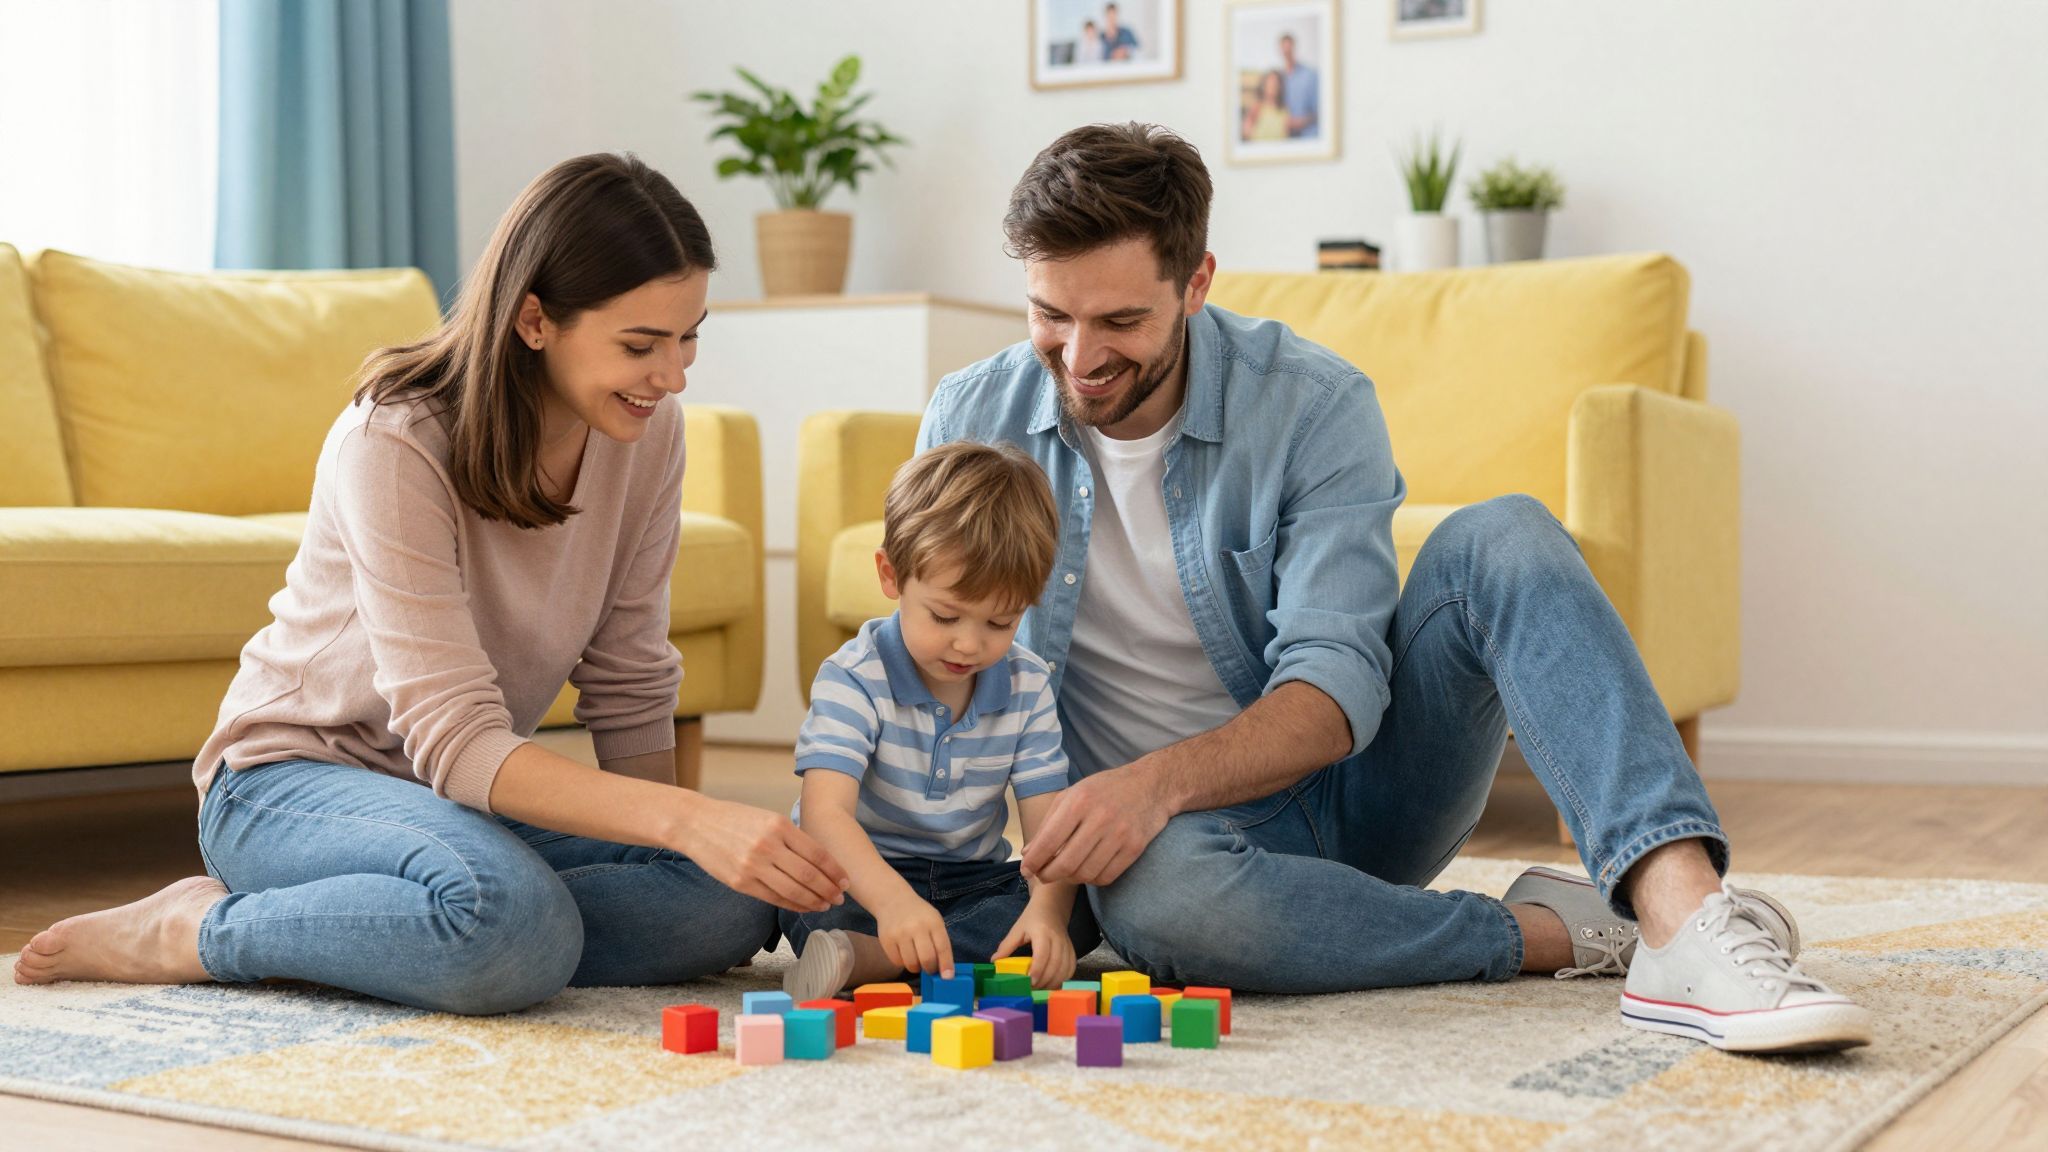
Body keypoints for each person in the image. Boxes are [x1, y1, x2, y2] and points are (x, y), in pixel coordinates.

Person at [916, 122, 1873, 1054]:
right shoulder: (973, 416)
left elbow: (1334, 694)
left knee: (1503, 535)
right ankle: (1558, 934)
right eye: (1050, 315)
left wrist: (1150, 786)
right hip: (1163, 862)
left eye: (1120, 320)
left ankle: (1681, 915)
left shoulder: (1310, 402)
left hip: (1352, 799)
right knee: (1159, 905)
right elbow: (934, 676)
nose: (1080, 359)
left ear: (1197, 281)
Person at [12, 153, 851, 1014]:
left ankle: (452, 924)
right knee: (511, 925)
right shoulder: (395, 438)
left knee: (739, 896)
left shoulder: (650, 435)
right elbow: (458, 741)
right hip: (287, 785)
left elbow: (629, 675)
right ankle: (201, 930)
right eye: (640, 345)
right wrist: (683, 822)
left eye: (689, 338)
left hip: (448, 806)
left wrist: (688, 849)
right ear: (535, 320)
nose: (673, 376)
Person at [779, 441, 1096, 1003]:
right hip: (863, 874)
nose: (969, 644)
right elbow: (825, 819)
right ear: (890, 575)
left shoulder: (1026, 683)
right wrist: (894, 903)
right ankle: (912, 950)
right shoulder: (853, 676)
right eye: (945, 616)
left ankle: (874, 959)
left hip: (970, 880)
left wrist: (1047, 914)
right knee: (803, 896)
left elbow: (1049, 831)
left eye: (1000, 621)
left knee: (1077, 911)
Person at [1277, 33, 1319, 138]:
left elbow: (1322, 111)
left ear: (1294, 48)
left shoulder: (1310, 75)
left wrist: (1303, 121)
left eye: (1289, 49)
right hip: (1285, 138)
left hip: (1308, 136)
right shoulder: (1278, 78)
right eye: (1284, 50)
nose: (1287, 53)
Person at [1242, 70, 1290, 142]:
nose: (1273, 86)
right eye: (1270, 83)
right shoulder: (1257, 107)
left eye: (1275, 83)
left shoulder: (1284, 110)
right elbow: (1246, 132)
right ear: (1264, 86)